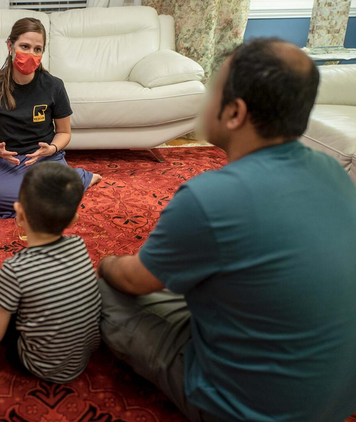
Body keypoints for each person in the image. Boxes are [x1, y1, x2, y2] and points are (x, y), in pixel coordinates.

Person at [97, 38, 356, 422]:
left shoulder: (209, 197)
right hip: (336, 403)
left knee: (97, 284)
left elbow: (134, 280)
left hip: (245, 410)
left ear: (234, 113)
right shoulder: (335, 171)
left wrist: (105, 262)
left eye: (211, 88)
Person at [0, 162, 101, 383]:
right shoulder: (79, 245)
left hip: (38, 365)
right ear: (74, 220)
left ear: (19, 216)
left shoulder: (15, 269)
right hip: (81, 359)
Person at [0, 17, 101, 219]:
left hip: (45, 157)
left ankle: (79, 178)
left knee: (51, 192)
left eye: (37, 49)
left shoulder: (54, 86)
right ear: (10, 46)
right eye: (25, 46)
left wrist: (52, 148)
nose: (31, 54)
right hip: (10, 159)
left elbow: (64, 132)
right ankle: (55, 192)